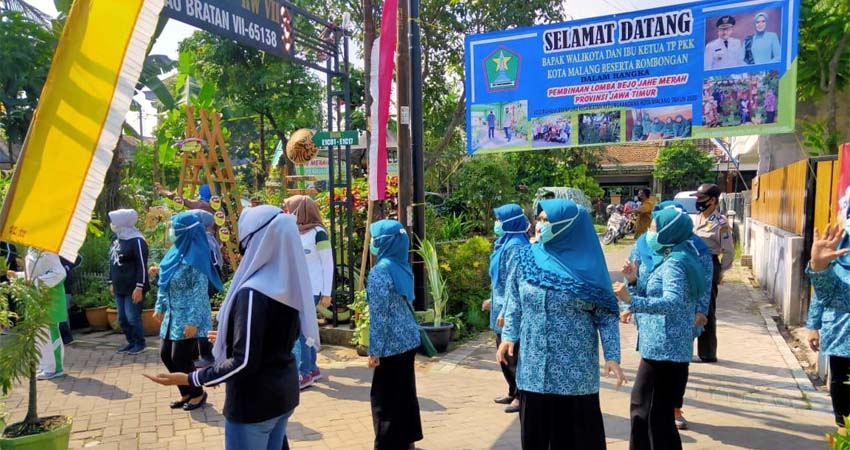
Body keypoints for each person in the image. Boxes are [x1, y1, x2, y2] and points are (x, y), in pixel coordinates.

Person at [146, 205, 317, 449]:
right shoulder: (287, 283)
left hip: (254, 403)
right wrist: (232, 333)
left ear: (256, 241)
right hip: (283, 393)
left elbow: (245, 361)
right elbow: (277, 336)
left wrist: (191, 377)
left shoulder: (253, 292)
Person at [496, 199, 626, 449]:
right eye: (540, 219)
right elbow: (515, 301)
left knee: (574, 439)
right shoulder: (526, 257)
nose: (539, 225)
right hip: (534, 370)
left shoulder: (589, 266)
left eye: (547, 221)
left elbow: (607, 315)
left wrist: (612, 356)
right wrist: (509, 336)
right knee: (536, 437)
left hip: (574, 373)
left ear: (568, 226)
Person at [615, 207, 706, 450]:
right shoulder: (673, 256)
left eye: (654, 228)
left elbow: (673, 303)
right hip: (659, 346)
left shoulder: (675, 263)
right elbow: (655, 293)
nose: (649, 232)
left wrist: (632, 301)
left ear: (669, 232)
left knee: (650, 413)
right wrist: (633, 281)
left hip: (666, 348)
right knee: (651, 414)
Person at [152, 212, 223, 412]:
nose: (172, 232)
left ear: (186, 231)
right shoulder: (174, 253)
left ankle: (198, 393)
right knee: (167, 355)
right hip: (173, 316)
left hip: (189, 317)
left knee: (180, 358)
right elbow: (164, 284)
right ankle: (185, 393)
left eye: (175, 228)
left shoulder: (197, 257)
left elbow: (199, 294)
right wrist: (159, 306)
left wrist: (193, 322)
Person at [366, 220, 423, 450]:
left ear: (384, 242)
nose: (371, 242)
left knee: (383, 399)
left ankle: (387, 444)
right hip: (408, 339)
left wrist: (374, 351)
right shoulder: (401, 265)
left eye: (374, 238)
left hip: (390, 344)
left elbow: (379, 317)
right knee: (404, 392)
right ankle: (406, 440)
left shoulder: (380, 271)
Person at [806, 202, 850, 431]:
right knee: (841, 381)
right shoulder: (837, 256)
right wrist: (819, 266)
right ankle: (842, 427)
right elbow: (821, 293)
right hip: (842, 334)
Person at [482, 204, 529, 414]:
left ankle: (521, 396)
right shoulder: (504, 243)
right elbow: (500, 279)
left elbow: (514, 281)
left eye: (500, 220)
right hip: (500, 304)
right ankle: (512, 390)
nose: (496, 224)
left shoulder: (515, 245)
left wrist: (504, 310)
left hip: (509, 310)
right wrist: (492, 299)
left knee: (512, 354)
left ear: (511, 221)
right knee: (503, 353)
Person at [284, 195, 334, 390]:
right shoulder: (294, 230)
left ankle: (304, 372)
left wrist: (326, 293)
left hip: (312, 289)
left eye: (291, 208)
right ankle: (312, 367)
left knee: (303, 330)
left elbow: (327, 264)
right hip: (297, 288)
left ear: (301, 210)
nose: (288, 212)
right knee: (307, 329)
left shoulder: (318, 233)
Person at [692, 184, 735, 363]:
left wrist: (720, 271)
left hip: (709, 263)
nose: (698, 202)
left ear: (713, 201)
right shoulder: (696, 218)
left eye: (702, 199)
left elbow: (729, 251)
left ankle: (708, 353)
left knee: (707, 308)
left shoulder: (721, 223)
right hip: (694, 264)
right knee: (693, 306)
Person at [9, 249, 67, 380]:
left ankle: (55, 367)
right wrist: (17, 276)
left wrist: (36, 282)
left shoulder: (48, 251)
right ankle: (46, 366)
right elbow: (33, 274)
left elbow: (59, 273)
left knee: (50, 333)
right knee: (39, 334)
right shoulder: (32, 249)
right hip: (36, 299)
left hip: (50, 299)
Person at [108, 209, 150, 355]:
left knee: (132, 317)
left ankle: (140, 343)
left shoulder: (137, 240)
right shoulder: (117, 239)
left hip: (133, 286)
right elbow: (111, 262)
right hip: (120, 286)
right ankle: (131, 342)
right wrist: (110, 281)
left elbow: (142, 265)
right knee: (122, 318)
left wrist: (140, 287)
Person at [190, 209, 223, 368]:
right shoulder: (208, 238)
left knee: (203, 320)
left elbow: (211, 265)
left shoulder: (205, 241)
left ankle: (208, 355)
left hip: (204, 284)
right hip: (205, 283)